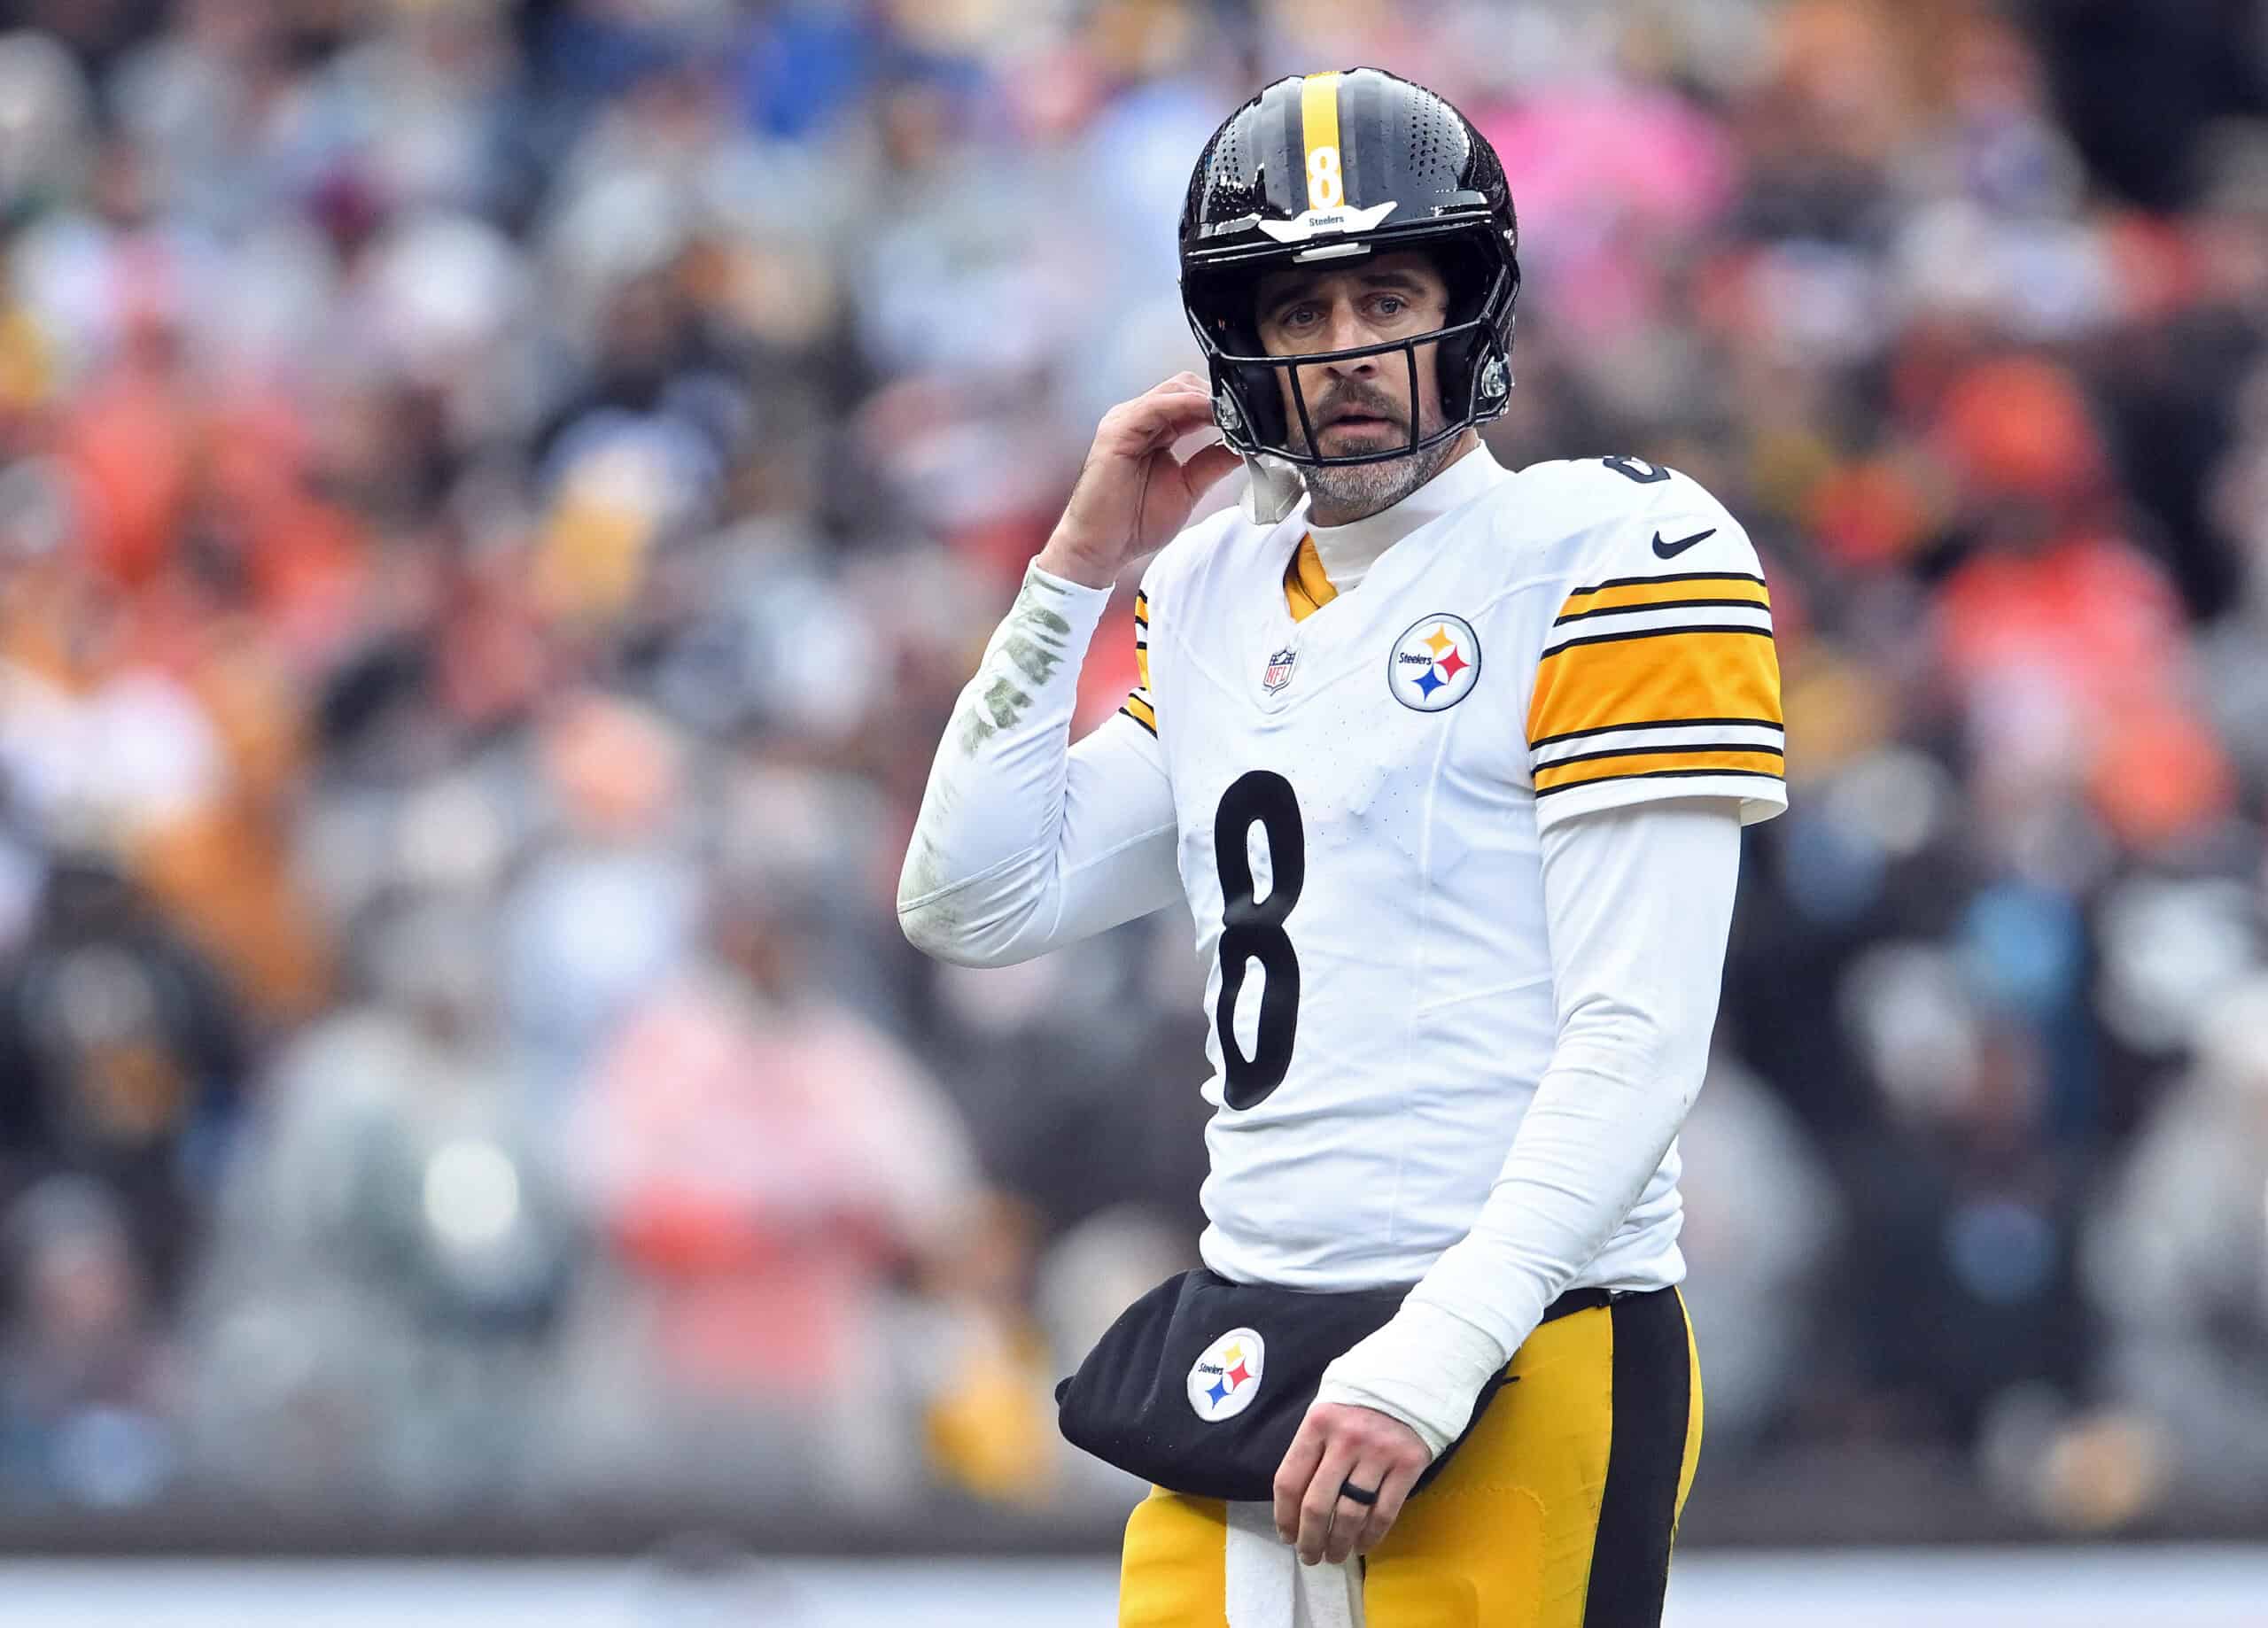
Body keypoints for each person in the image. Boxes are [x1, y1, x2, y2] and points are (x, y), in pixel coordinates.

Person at [899, 66, 1784, 1627]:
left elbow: (1639, 1039)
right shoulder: (1219, 582)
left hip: (1522, 1339)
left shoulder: (1608, 549)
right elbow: (972, 894)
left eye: (1385, 293)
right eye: (1298, 314)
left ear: (1476, 306)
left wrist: (1439, 1353)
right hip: (1251, 1342)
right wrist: (1074, 576)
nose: (1347, 350)